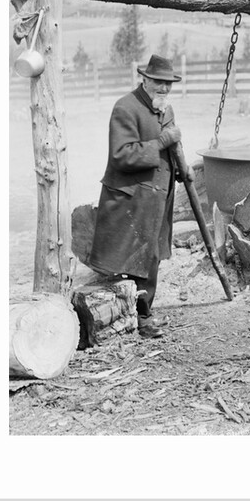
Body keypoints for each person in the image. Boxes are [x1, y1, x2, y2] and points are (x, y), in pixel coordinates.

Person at [85, 54, 193, 338]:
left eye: (168, 83)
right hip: (130, 199)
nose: (164, 88)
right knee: (137, 259)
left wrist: (180, 170)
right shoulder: (126, 108)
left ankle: (145, 312)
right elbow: (122, 156)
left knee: (152, 257)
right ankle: (141, 318)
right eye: (158, 82)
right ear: (144, 79)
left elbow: (170, 148)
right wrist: (161, 142)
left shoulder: (165, 109)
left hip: (157, 196)